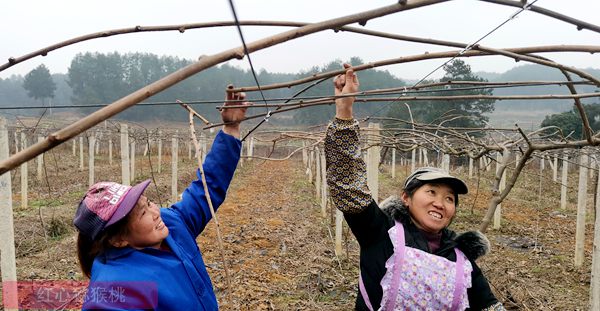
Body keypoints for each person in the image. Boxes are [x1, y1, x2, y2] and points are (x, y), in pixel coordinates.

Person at [325, 64, 505, 310]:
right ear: (406, 198)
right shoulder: (380, 234)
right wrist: (344, 110)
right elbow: (348, 186)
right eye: (431, 192)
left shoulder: (462, 261)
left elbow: (490, 307)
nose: (440, 203)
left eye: (449, 199)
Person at [73, 88, 249, 310]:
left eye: (148, 203)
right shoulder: (113, 292)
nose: (156, 211)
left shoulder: (172, 223)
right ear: (117, 240)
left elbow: (207, 187)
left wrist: (231, 128)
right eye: (143, 213)